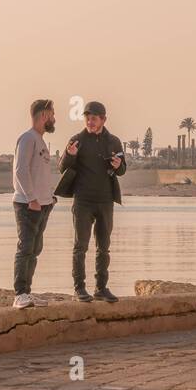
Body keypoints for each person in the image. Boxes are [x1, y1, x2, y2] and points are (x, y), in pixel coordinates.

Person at [55, 100, 127, 303]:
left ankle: (101, 288)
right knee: (80, 246)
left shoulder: (113, 141)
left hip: (105, 201)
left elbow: (122, 170)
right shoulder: (77, 139)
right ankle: (79, 288)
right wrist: (70, 155)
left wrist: (118, 164)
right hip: (83, 201)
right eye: (87, 117)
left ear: (103, 119)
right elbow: (62, 167)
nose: (90, 121)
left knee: (104, 247)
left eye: (94, 118)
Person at [12, 99, 58, 309]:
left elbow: (39, 174)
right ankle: (20, 294)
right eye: (52, 114)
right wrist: (31, 198)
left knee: (35, 249)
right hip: (28, 205)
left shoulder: (39, 140)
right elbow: (20, 170)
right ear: (44, 115)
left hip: (43, 205)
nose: (54, 118)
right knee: (26, 248)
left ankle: (27, 292)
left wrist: (49, 197)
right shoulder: (28, 138)